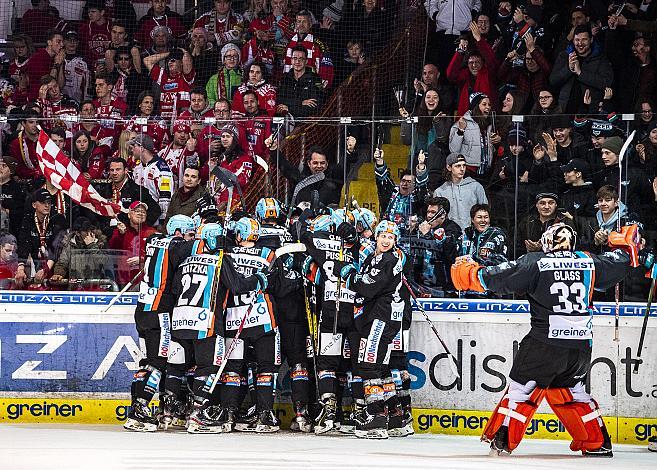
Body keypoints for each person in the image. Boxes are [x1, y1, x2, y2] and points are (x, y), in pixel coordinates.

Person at [450, 222, 646, 457]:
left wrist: (472, 272)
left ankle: (502, 445)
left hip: (544, 343)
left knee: (521, 391)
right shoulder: (588, 260)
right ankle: (597, 443)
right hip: (581, 347)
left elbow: (499, 277)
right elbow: (622, 262)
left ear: (547, 241)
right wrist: (628, 247)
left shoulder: (536, 262)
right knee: (572, 393)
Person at [167, 222, 269, 434]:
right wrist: (258, 278)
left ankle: (171, 411)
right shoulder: (220, 260)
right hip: (207, 322)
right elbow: (237, 286)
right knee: (209, 367)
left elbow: (175, 288)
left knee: (179, 367)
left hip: (179, 320)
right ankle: (198, 414)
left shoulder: (185, 261)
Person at [221, 217, 299, 432]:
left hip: (234, 319)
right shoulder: (268, 254)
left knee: (234, 370)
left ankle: (228, 414)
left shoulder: (227, 255)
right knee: (266, 369)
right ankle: (264, 416)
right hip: (264, 320)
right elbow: (282, 288)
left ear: (238, 235)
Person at [123, 214, 196, 432]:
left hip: (143, 310)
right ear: (178, 232)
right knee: (159, 362)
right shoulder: (175, 245)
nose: (190, 238)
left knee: (147, 361)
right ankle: (141, 408)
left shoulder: (153, 241)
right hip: (160, 312)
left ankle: (137, 406)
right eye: (189, 234)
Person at [340, 220, 407, 439]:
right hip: (380, 315)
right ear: (376, 237)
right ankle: (395, 417)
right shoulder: (374, 258)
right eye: (383, 236)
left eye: (391, 237)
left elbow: (368, 286)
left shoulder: (388, 260)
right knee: (382, 367)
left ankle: (376, 418)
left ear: (395, 240)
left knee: (369, 365)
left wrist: (350, 276)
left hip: (381, 317)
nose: (386, 240)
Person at [299, 210, 361, 435]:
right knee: (328, 363)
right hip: (331, 312)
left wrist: (354, 240)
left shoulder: (363, 248)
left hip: (354, 314)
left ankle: (355, 410)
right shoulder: (322, 248)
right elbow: (308, 245)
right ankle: (330, 410)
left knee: (352, 366)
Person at [549, 25, 613, 115]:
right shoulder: (564, 56)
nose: (580, 43)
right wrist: (569, 69)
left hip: (590, 111)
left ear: (591, 40)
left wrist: (580, 73)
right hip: (564, 111)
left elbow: (606, 82)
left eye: (584, 39)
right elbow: (553, 81)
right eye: (577, 40)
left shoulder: (601, 59)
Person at [408, 197, 462, 297]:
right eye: (428, 212)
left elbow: (450, 256)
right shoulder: (424, 226)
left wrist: (428, 235)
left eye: (433, 212)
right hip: (422, 284)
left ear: (443, 215)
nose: (429, 215)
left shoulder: (453, 229)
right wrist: (412, 232)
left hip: (444, 287)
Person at [375, 148, 429, 244]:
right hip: (388, 236)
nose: (405, 184)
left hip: (410, 239)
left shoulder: (417, 198)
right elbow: (382, 180)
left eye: (409, 182)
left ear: (414, 185)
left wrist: (421, 166)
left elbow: (422, 188)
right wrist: (379, 161)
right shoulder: (391, 192)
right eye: (403, 181)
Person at [16, 189, 67, 287]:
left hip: (56, 264)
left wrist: (46, 269)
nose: (47, 205)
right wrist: (21, 267)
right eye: (43, 202)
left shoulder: (58, 219)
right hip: (37, 262)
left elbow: (56, 247)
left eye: (49, 202)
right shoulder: (28, 220)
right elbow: (24, 243)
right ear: (34, 205)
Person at [447, 23, 499, 116]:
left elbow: (492, 61)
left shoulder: (489, 74)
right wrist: (460, 52)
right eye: (471, 62)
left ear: (483, 63)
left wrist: (479, 40)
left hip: (486, 119)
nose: (474, 65)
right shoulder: (464, 76)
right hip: (466, 122)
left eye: (477, 62)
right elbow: (450, 75)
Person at [98, 157, 161, 230]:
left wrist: (140, 228)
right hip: (108, 233)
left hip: (129, 234)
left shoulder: (138, 190)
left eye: (118, 169)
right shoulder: (104, 191)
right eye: (112, 170)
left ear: (126, 170)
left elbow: (155, 210)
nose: (114, 173)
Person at [433, 153, 488, 231]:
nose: (462, 169)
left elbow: (485, 212)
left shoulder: (476, 187)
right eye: (458, 166)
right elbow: (436, 218)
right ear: (449, 167)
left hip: (473, 234)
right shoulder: (440, 191)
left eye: (464, 165)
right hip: (449, 235)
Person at [49, 216, 108, 287]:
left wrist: (92, 246)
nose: (89, 233)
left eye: (90, 230)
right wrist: (58, 273)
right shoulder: (69, 244)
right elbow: (62, 263)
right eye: (86, 231)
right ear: (77, 233)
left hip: (95, 287)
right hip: (75, 288)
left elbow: (103, 263)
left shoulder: (100, 243)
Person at [448, 92, 496, 178]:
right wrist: (460, 130)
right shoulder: (462, 123)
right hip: (468, 171)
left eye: (489, 104)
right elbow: (453, 150)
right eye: (484, 104)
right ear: (476, 106)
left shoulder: (490, 125)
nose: (488, 107)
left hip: (486, 171)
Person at [108, 201, 157, 285]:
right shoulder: (121, 230)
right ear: (129, 214)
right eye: (137, 211)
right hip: (123, 278)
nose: (140, 214)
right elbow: (112, 250)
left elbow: (157, 255)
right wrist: (121, 234)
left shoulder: (152, 233)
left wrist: (142, 259)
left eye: (143, 212)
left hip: (145, 279)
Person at [131, 134, 174, 226]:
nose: (132, 149)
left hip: (155, 220)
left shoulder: (161, 168)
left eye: (134, 146)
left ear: (142, 148)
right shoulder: (137, 168)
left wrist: (163, 221)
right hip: (139, 218)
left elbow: (165, 196)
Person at [144, 48, 196, 120]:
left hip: (181, 119)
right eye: (168, 60)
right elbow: (147, 60)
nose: (170, 62)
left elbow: (187, 62)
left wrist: (184, 51)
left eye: (173, 60)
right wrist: (168, 54)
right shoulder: (163, 76)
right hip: (164, 120)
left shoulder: (186, 77)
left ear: (181, 63)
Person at [277, 46, 323, 118]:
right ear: (291, 60)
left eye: (301, 59)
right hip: (285, 122)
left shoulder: (315, 78)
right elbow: (279, 101)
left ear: (306, 61)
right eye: (295, 58)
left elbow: (314, 107)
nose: (297, 62)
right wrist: (300, 102)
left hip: (306, 123)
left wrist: (289, 108)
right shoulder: (284, 78)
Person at [157, 121, 199, 189]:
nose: (182, 135)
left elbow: (193, 171)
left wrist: (191, 152)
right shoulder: (162, 152)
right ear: (173, 133)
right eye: (179, 132)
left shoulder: (192, 152)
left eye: (185, 133)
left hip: (182, 193)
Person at [10, 109, 43, 180]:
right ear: (23, 124)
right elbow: (17, 167)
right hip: (26, 180)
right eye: (31, 122)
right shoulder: (16, 143)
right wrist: (35, 173)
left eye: (37, 122)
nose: (35, 125)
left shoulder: (44, 140)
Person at [0, 156, 26, 237]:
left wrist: (6, 211)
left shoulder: (17, 189)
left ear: (11, 171)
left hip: (10, 230)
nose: (0, 168)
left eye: (4, 165)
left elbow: (21, 213)